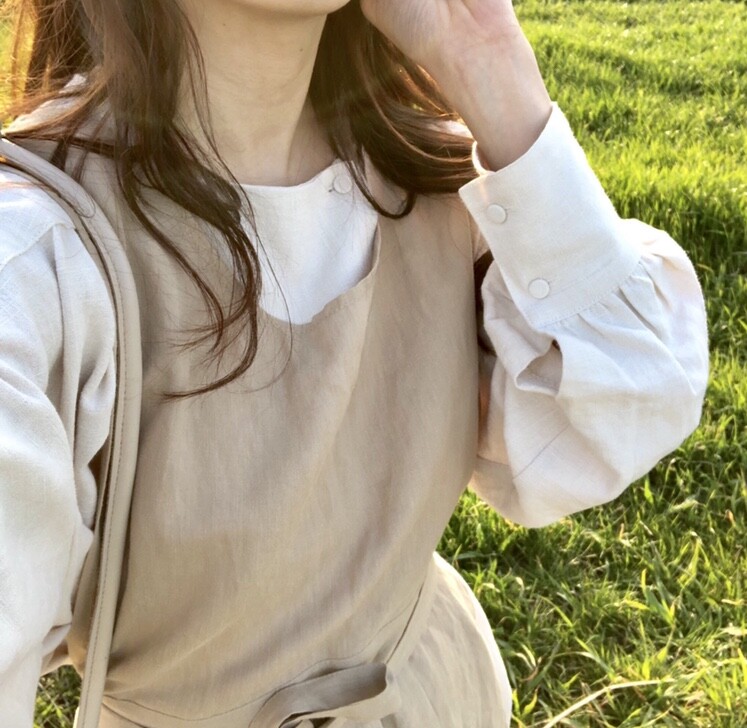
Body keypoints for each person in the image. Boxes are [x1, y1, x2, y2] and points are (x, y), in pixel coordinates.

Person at [0, 1, 708, 726]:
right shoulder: (34, 252)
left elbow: (632, 401)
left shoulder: (427, 171)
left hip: (441, 695)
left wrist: (485, 57)